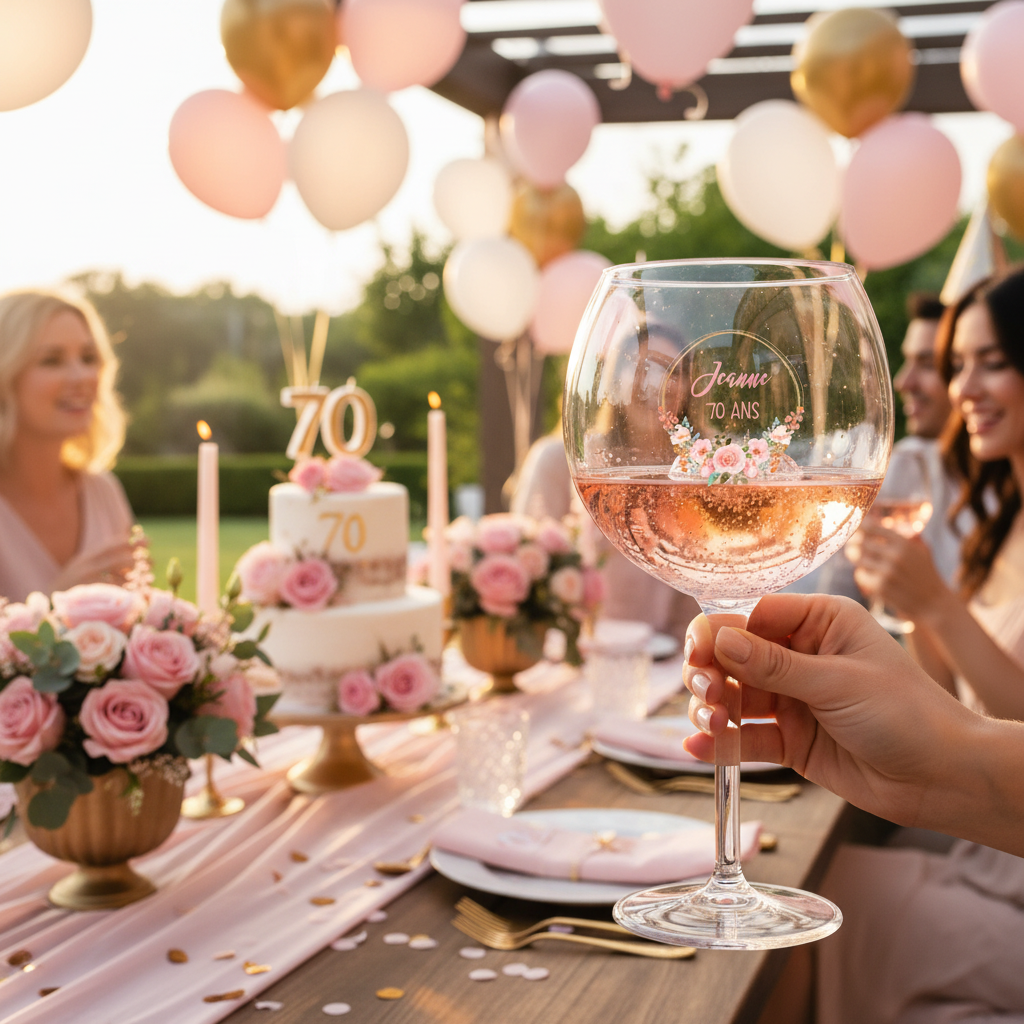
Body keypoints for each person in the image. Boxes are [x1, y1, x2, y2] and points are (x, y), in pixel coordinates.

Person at [0, 290, 134, 602]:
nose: (81, 376)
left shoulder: (104, 493)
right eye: (52, 360)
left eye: (88, 358)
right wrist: (53, 604)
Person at [511, 428, 699, 642]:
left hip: (665, 657)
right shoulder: (558, 460)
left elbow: (699, 595)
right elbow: (530, 566)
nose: (658, 393)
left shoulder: (702, 467)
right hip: (569, 657)